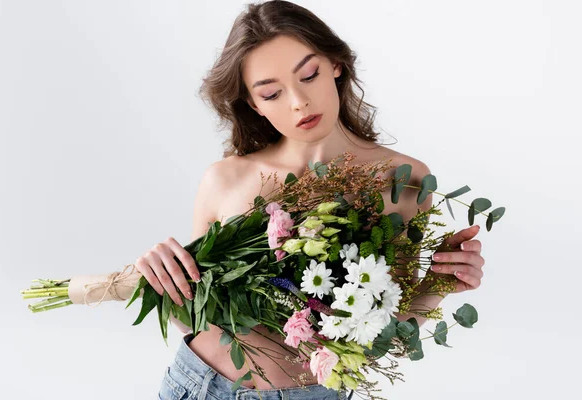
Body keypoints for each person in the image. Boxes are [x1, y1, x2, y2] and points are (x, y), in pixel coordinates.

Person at [133, 1, 486, 399]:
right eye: (271, 93)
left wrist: (439, 284)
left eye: (309, 74)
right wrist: (163, 280)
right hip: (196, 385)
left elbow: (379, 335)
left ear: (336, 63)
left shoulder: (402, 182)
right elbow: (197, 313)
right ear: (253, 104)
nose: (298, 101)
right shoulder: (224, 179)